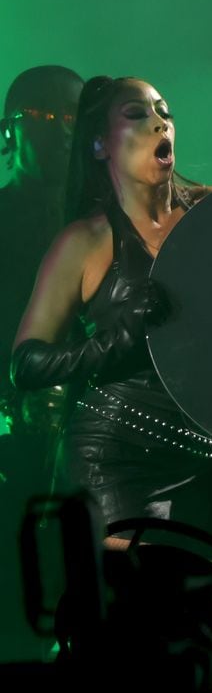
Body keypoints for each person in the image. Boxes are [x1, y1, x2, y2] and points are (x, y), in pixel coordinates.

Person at [10, 76, 212, 604]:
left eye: (164, 111)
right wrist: (115, 339)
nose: (159, 121)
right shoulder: (85, 241)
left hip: (207, 449)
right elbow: (27, 362)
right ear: (100, 144)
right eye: (137, 113)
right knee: (133, 638)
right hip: (116, 459)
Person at [0, 66, 83, 661]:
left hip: (93, 451)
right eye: (43, 116)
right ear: (10, 132)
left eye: (75, 118)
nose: (60, 132)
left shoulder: (113, 231)